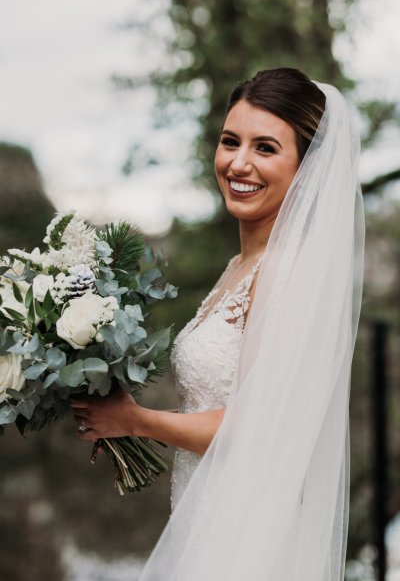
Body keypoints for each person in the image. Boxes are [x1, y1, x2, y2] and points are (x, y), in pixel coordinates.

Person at [71, 68, 365, 580]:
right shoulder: (241, 267)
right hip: (205, 519)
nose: (239, 163)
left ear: (306, 167)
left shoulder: (287, 270)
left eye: (266, 148)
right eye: (231, 141)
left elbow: (255, 428)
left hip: (254, 542)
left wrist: (135, 420)